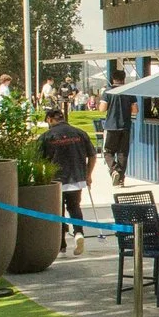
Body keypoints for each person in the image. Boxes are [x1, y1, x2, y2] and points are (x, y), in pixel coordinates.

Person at [36, 106, 97, 254]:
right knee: (74, 207)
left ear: (50, 120)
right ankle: (78, 233)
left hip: (56, 180)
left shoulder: (46, 137)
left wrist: (41, 179)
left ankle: (61, 243)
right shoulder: (80, 133)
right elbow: (93, 155)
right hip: (77, 177)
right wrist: (88, 175)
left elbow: (38, 161)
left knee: (59, 211)